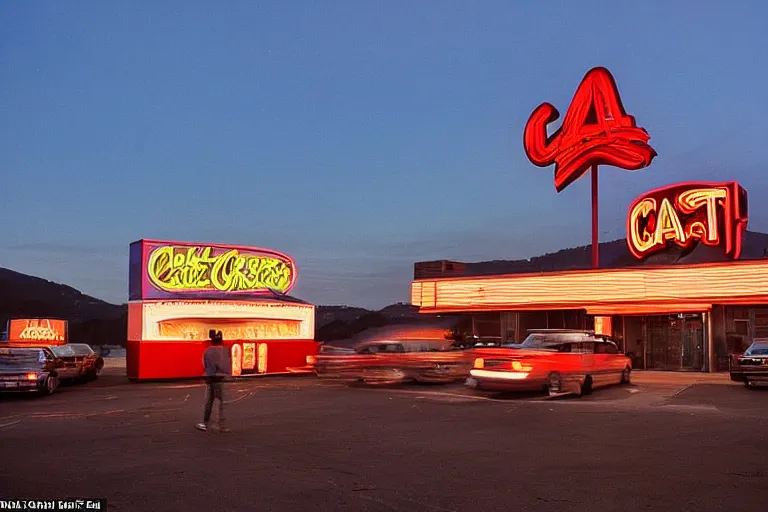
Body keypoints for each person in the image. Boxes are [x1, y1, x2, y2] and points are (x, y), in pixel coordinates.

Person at [196, 330, 232, 432]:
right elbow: (226, 367)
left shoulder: (207, 351)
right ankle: (222, 425)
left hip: (210, 380)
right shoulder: (225, 351)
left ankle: (204, 423)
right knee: (221, 402)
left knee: (208, 402)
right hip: (220, 380)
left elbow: (204, 364)